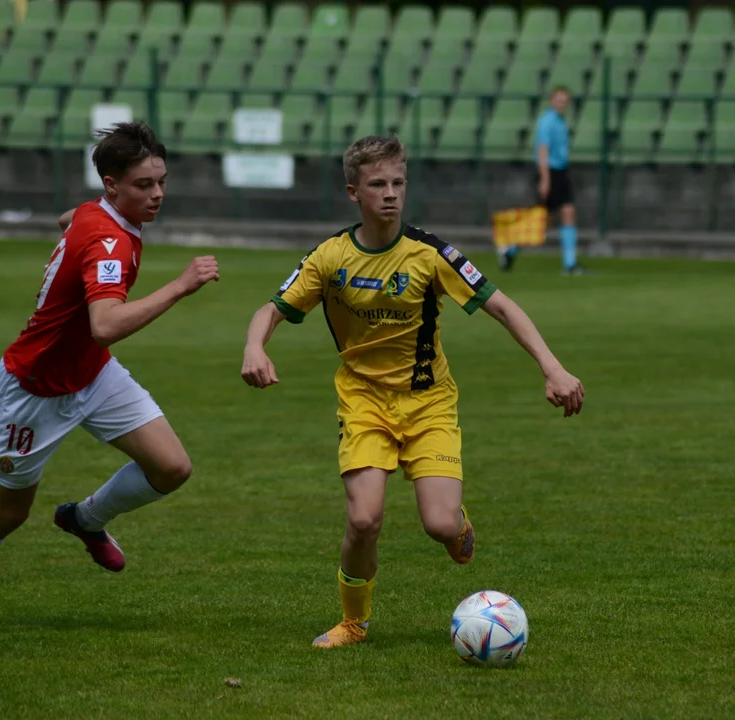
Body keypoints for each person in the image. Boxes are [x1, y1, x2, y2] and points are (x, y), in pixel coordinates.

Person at [240, 135, 585, 648]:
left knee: (440, 525)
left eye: (398, 183)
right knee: (363, 518)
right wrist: (254, 347)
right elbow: (271, 308)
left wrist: (553, 369)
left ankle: (457, 525)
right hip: (363, 403)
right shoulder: (330, 257)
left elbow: (502, 306)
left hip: (428, 404)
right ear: (353, 191)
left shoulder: (430, 254)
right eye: (377, 184)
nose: (390, 194)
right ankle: (354, 622)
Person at [0, 121, 220, 623]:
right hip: (34, 387)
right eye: (143, 185)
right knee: (9, 513)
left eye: (161, 182)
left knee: (172, 468)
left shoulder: (95, 213)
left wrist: (82, 229)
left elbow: (73, 217)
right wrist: (180, 285)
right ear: (112, 185)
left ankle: (84, 519)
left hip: (91, 373)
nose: (157, 195)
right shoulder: (109, 241)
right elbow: (103, 325)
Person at [498, 86, 583, 275]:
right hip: (550, 172)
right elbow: (542, 150)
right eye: (559, 100)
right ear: (552, 101)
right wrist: (545, 179)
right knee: (541, 220)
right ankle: (510, 249)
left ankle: (570, 264)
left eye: (565, 100)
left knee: (568, 212)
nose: (562, 103)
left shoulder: (560, 121)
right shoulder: (547, 122)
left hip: (561, 171)